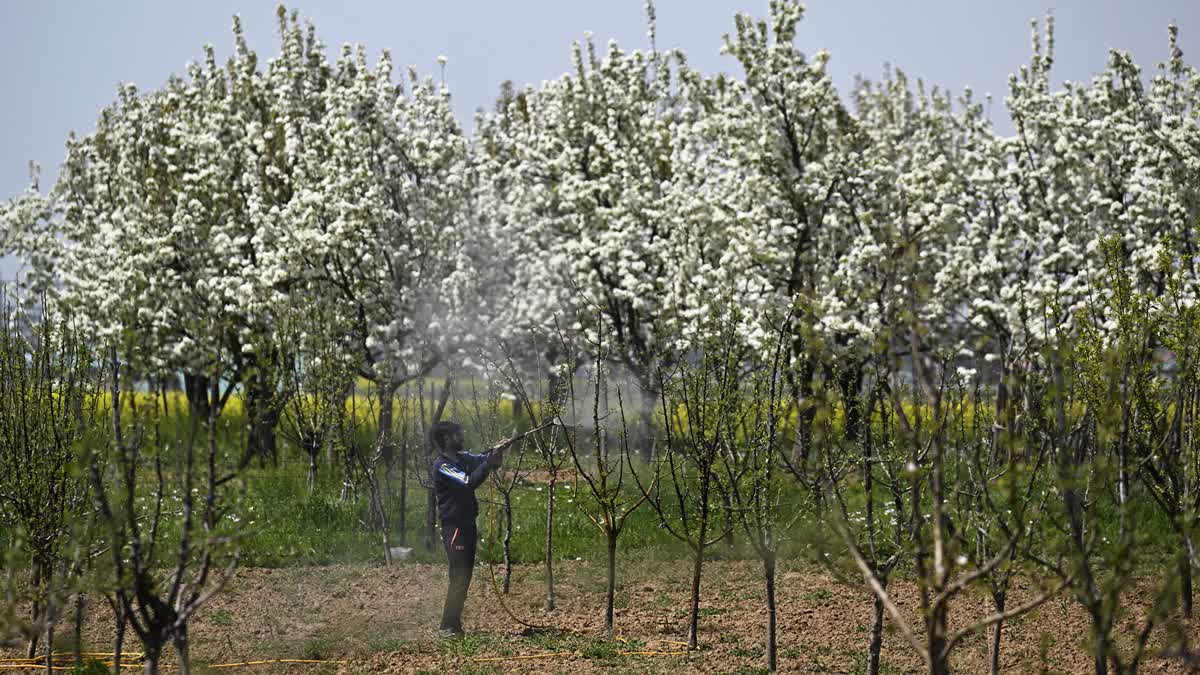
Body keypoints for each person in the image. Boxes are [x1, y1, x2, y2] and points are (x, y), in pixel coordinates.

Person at [429, 420, 504, 638]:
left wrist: (496, 453)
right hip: (455, 529)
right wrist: (489, 463)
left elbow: (482, 459)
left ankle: (454, 624)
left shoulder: (462, 458)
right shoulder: (442, 466)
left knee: (465, 576)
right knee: (459, 576)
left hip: (468, 525)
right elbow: (468, 481)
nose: (462, 436)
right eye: (457, 434)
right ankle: (447, 626)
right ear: (446, 439)